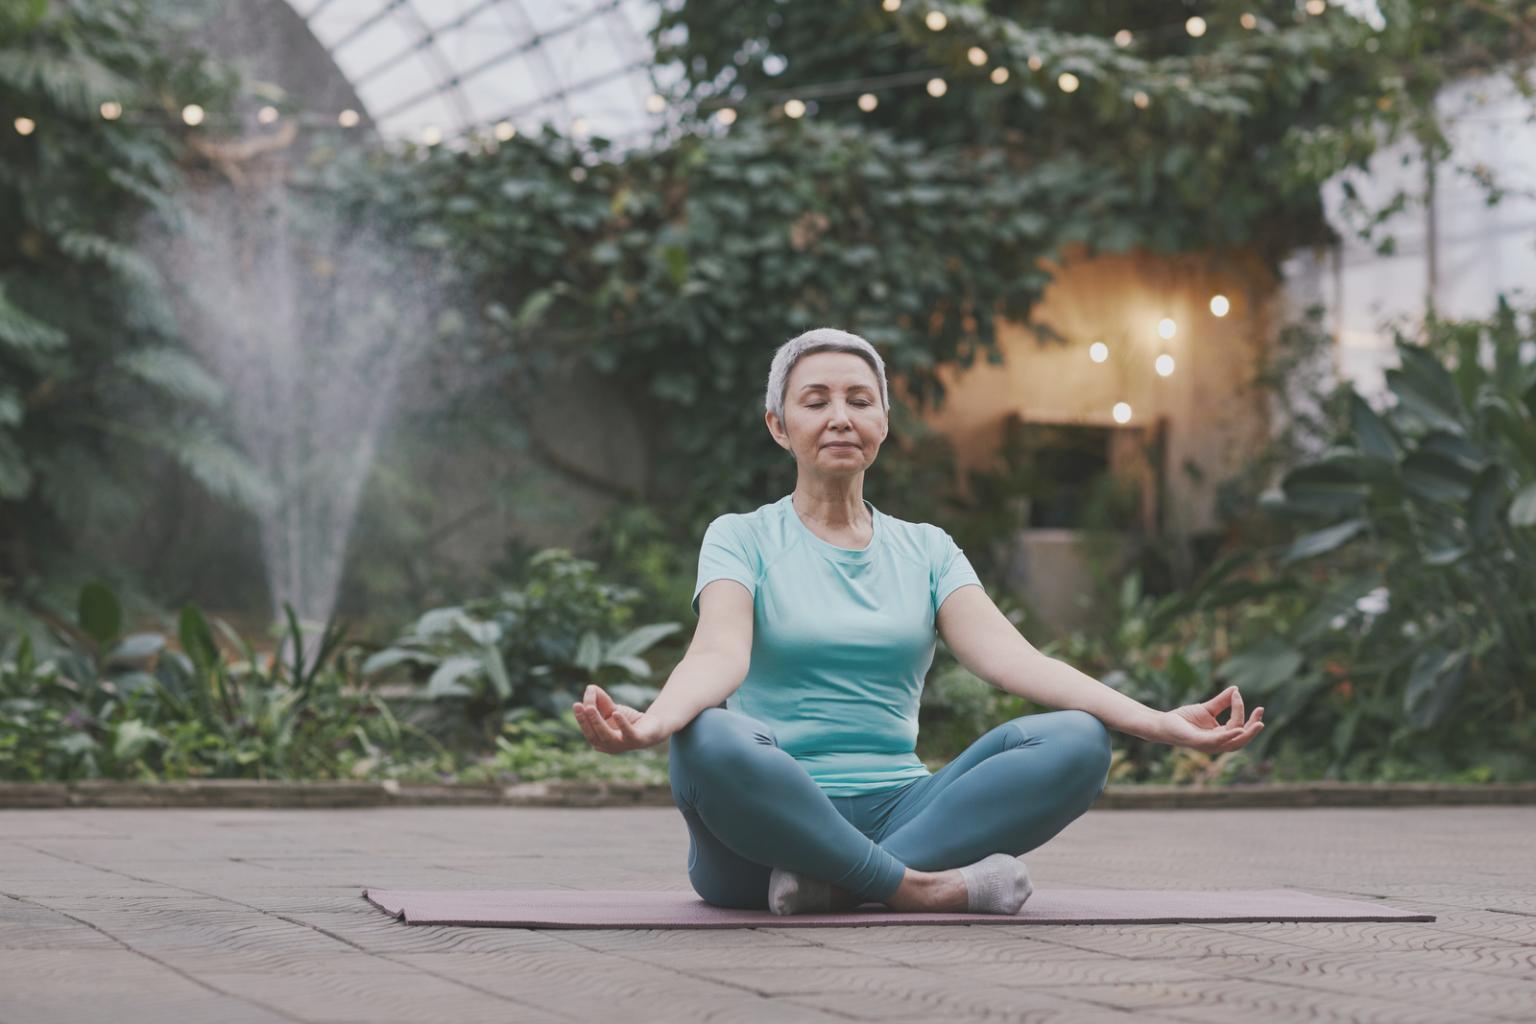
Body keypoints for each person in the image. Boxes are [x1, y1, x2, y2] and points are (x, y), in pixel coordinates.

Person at [572, 327, 1265, 916]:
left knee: (1079, 741)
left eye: (858, 400)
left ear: (883, 423)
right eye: (815, 402)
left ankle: (837, 883)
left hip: (906, 810)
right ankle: (920, 890)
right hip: (762, 836)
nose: (840, 416)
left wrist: (1156, 722)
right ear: (779, 427)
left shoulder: (927, 549)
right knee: (708, 738)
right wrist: (654, 723)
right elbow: (718, 655)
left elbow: (1015, 661)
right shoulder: (740, 536)